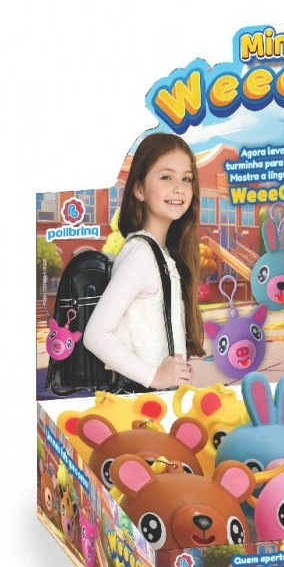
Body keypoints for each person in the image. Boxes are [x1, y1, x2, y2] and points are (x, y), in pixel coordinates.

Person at [84, 132, 205, 390]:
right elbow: (95, 334)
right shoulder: (141, 254)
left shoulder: (161, 255)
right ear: (139, 189)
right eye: (166, 177)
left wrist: (175, 369)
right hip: (141, 398)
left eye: (186, 179)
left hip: (157, 398)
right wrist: (156, 377)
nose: (179, 188)